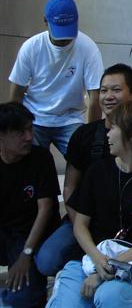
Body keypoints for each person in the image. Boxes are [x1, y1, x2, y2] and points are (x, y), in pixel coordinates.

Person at [35, 63, 132, 277]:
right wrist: (83, 229)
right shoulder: (83, 136)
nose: (108, 96)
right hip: (84, 218)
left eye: (116, 90)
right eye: (103, 90)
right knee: (47, 260)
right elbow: (70, 187)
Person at [46, 101, 132, 308]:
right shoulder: (97, 171)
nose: (108, 134)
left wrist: (109, 267)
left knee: (109, 297)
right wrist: (98, 260)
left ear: (131, 136)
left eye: (114, 128)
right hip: (90, 257)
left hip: (131, 262)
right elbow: (80, 225)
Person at [8, 0, 104, 155]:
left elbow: (95, 97)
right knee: (29, 159)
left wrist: (92, 136)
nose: (64, 40)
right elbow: (16, 94)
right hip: (35, 116)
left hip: (71, 118)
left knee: (83, 158)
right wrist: (14, 130)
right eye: (60, 33)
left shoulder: (88, 48)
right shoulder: (31, 47)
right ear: (46, 22)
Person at [0, 103, 60, 307]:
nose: (28, 137)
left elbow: (46, 208)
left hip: (34, 233)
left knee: (21, 300)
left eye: (29, 129)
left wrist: (26, 254)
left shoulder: (41, 158)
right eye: (20, 132)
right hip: (6, 232)